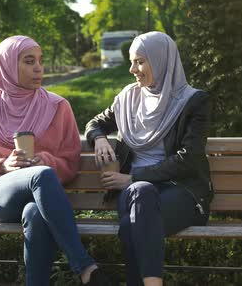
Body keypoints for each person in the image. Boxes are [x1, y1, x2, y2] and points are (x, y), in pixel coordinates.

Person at [0, 35, 112, 286]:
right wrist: (2, 164)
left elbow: (70, 161)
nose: (38, 67)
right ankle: (85, 268)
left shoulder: (58, 106)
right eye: (29, 61)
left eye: (40, 60)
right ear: (6, 66)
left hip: (44, 200)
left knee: (35, 211)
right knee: (43, 174)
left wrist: (44, 159)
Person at [85, 31, 213, 286]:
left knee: (130, 226)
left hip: (181, 192)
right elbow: (95, 123)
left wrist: (132, 177)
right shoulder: (128, 98)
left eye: (140, 61)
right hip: (134, 193)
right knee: (141, 194)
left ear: (161, 60)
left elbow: (188, 159)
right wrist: (99, 138)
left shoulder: (194, 102)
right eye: (132, 61)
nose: (132, 69)